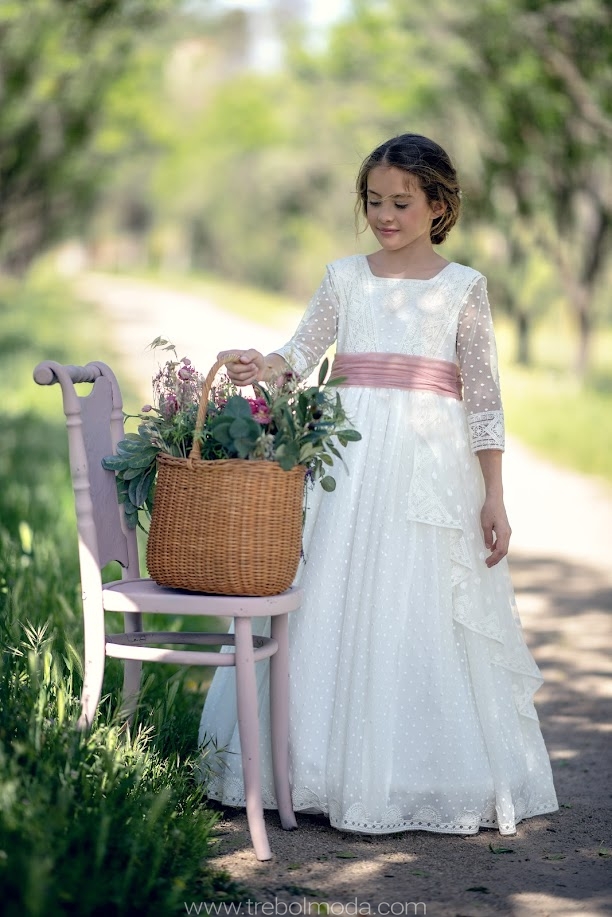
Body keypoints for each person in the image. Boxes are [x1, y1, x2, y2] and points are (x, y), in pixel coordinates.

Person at [199, 133, 558, 836]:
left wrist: (495, 493)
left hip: (427, 468)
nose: (385, 215)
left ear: (438, 204)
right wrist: (259, 365)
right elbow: (300, 352)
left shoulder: (463, 290)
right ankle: (304, 767)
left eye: (401, 202)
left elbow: (484, 399)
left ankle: (417, 773)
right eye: (373, 201)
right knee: (327, 589)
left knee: (414, 598)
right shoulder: (344, 278)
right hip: (346, 463)